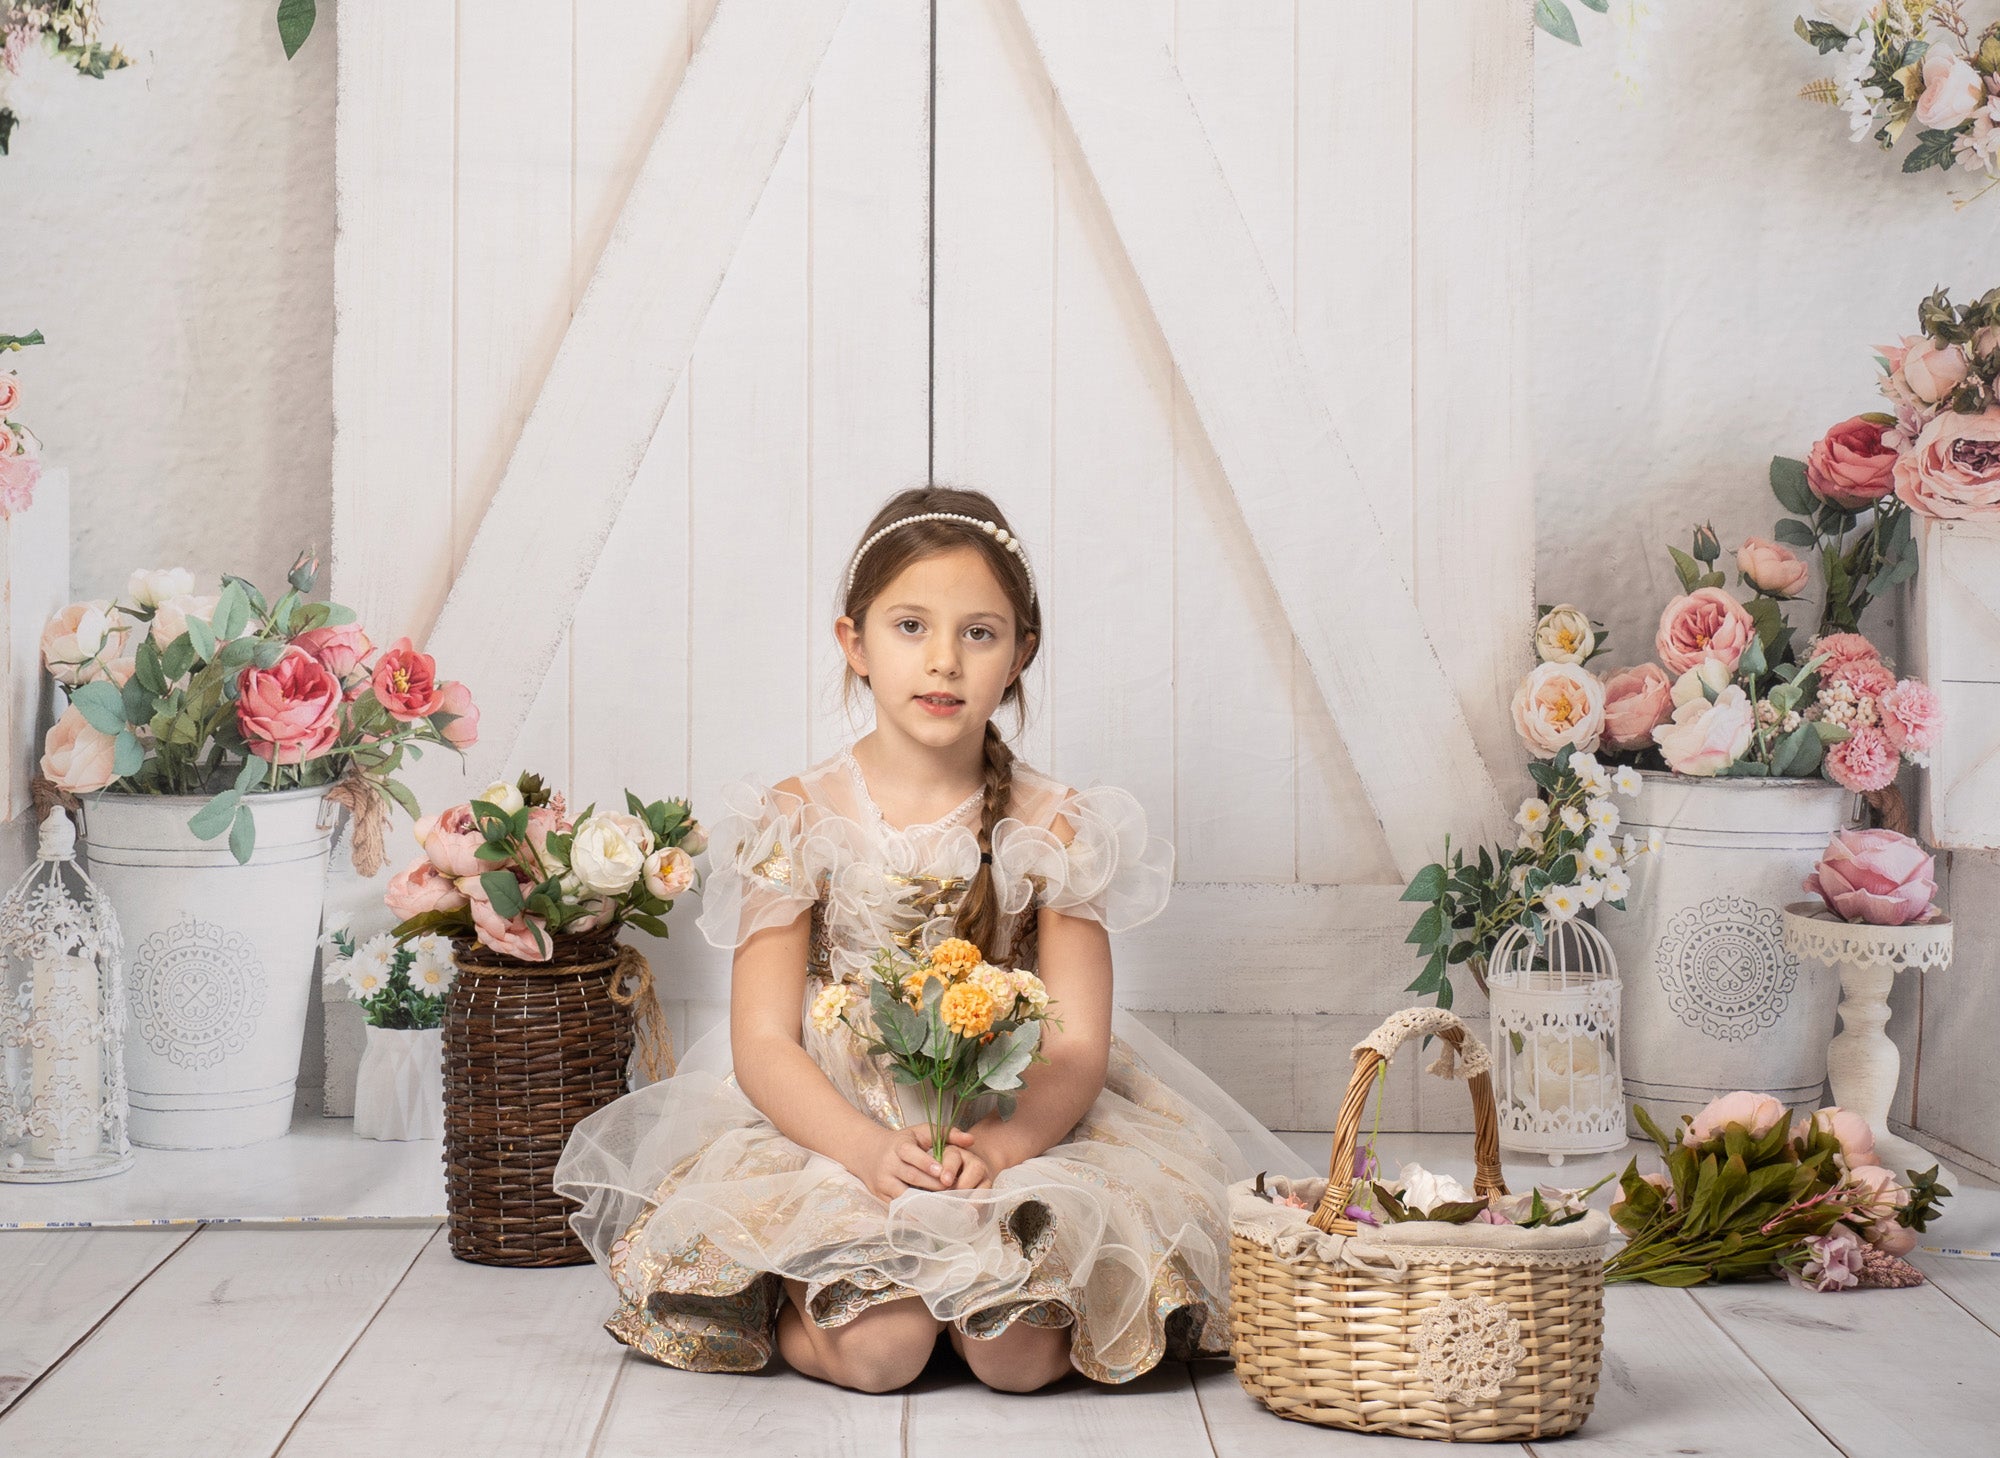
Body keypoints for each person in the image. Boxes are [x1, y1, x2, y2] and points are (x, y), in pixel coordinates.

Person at [554, 485, 1308, 1394]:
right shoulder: (797, 817)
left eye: (979, 633)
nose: (943, 660)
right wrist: (866, 1153)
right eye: (911, 626)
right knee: (883, 1353)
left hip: (1006, 1123)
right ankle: (796, 1294)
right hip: (838, 1127)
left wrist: (1000, 1149)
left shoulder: (1056, 824)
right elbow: (760, 1041)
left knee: (1021, 1360)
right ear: (855, 643)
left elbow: (1074, 1042)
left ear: (1021, 652)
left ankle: (969, 1301)